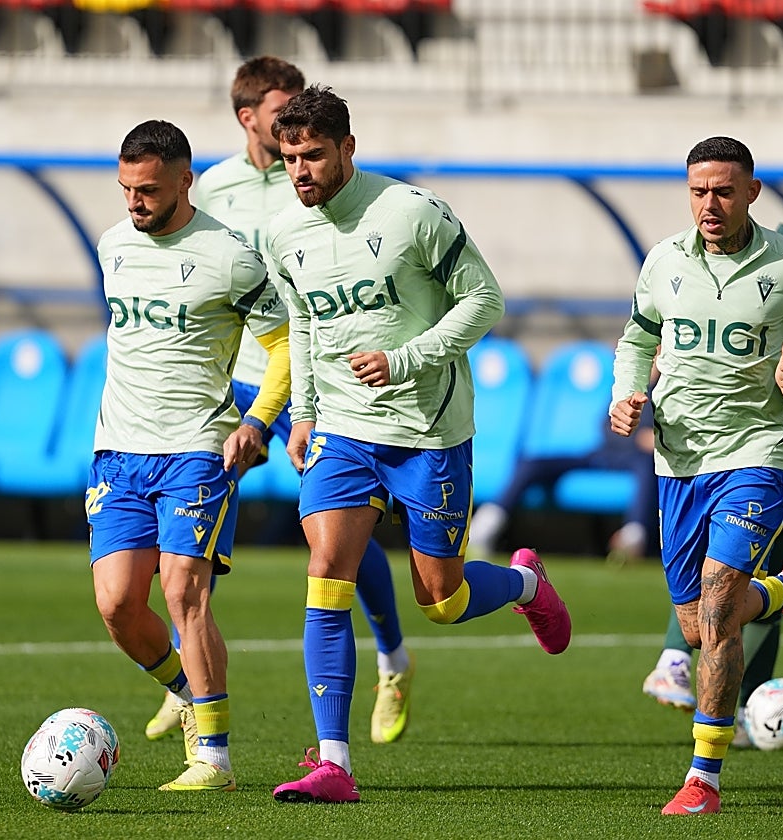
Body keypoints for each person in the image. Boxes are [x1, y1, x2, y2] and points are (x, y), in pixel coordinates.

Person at [265, 85, 572, 805]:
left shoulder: (413, 213)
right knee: (326, 572)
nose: (301, 170)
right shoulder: (284, 235)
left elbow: (485, 299)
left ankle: (527, 585)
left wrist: (406, 360)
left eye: (313, 155)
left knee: (441, 597)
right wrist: (305, 411)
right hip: (342, 431)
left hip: (427, 432)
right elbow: (305, 324)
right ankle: (334, 764)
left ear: (347, 147)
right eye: (289, 159)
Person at [144, 57, 418, 749]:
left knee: (337, 531)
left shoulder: (329, 182)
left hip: (311, 375)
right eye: (280, 109)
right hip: (235, 378)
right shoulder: (215, 187)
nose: (294, 123)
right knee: (187, 536)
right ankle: (190, 686)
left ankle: (391, 657)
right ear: (248, 117)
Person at [611, 136, 783, 816]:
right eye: (697, 191)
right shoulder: (662, 261)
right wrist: (626, 393)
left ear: (751, 192)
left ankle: (703, 779)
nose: (709, 204)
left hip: (761, 449)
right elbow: (637, 337)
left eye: (722, 190)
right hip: (680, 459)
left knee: (718, 608)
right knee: (693, 625)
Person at [88, 119, 291, 791]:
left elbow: (287, 348)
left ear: (184, 180)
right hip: (118, 450)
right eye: (124, 189)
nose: (133, 203)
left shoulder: (231, 257)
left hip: (198, 448)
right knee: (118, 605)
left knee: (183, 589)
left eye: (146, 190)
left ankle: (215, 758)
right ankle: (182, 689)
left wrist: (258, 423)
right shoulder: (112, 245)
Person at [467, 364, 658, 564]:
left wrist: (654, 440)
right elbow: (606, 427)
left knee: (646, 463)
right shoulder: (627, 386)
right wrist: (638, 439)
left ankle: (633, 537)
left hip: (640, 460)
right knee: (533, 463)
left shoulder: (670, 391)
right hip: (606, 453)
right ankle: (489, 522)